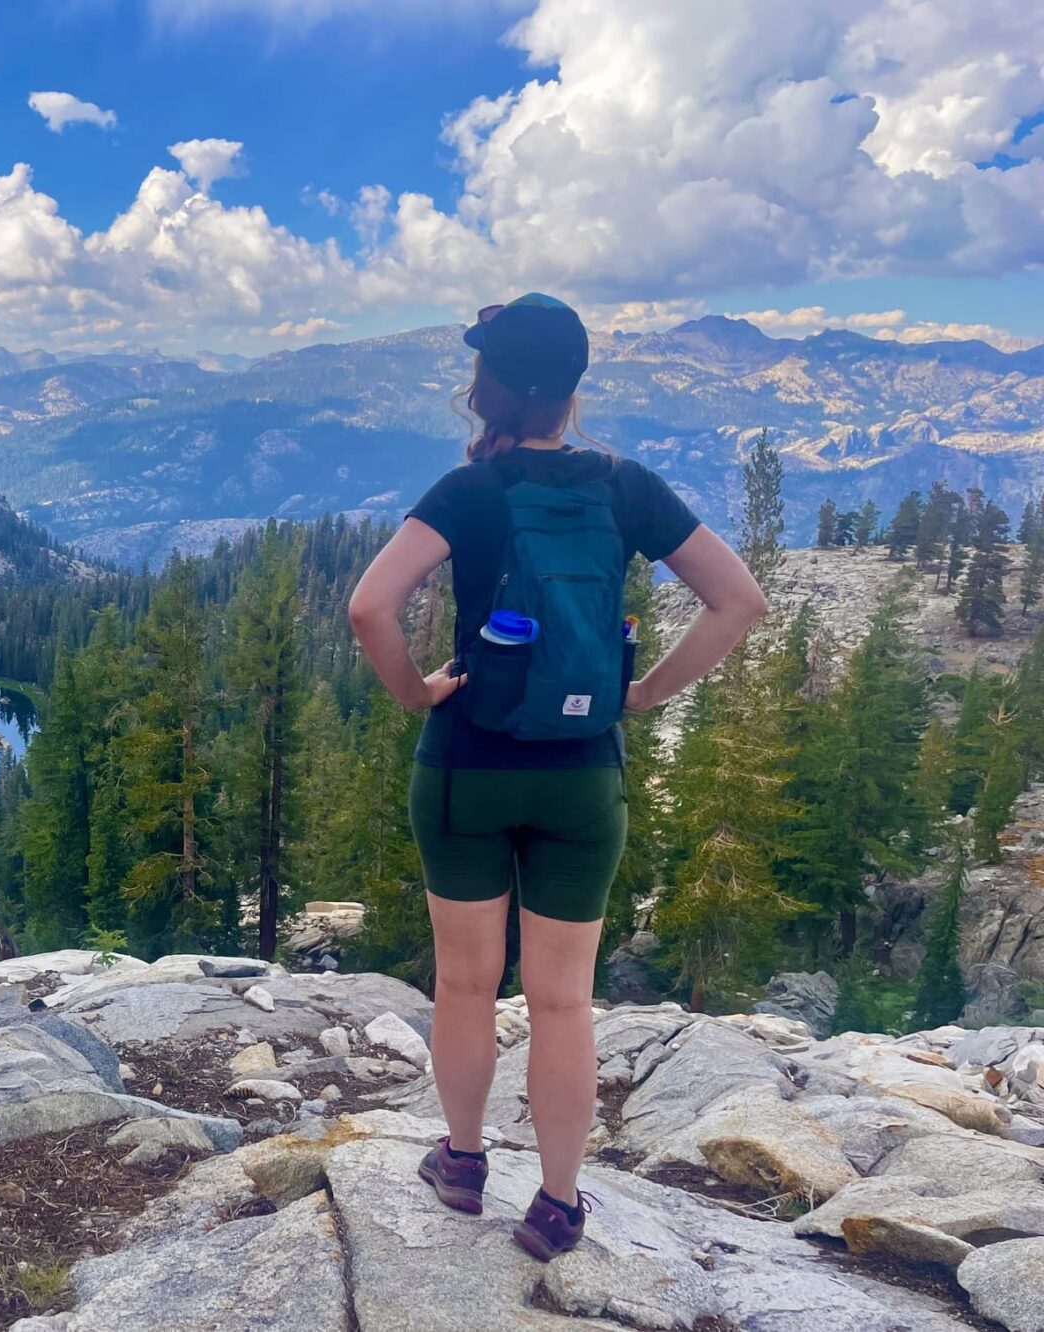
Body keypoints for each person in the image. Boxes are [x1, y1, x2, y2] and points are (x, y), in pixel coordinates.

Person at [346, 293, 767, 1259]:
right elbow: (738, 600)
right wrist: (641, 695)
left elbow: (371, 607)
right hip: (582, 776)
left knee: (464, 985)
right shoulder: (627, 488)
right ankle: (558, 1204)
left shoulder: (470, 490)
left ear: (490, 385)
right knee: (564, 1000)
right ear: (572, 388)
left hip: (469, 768)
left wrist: (417, 694)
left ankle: (461, 1164)